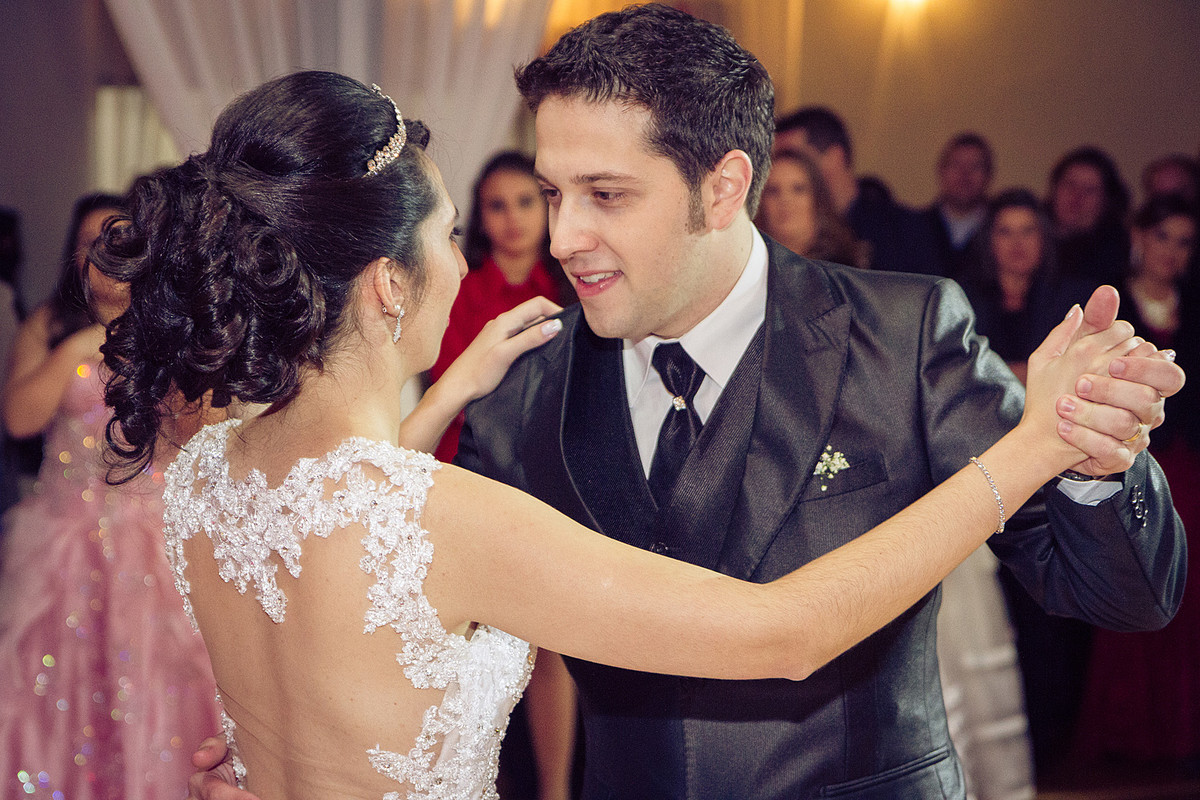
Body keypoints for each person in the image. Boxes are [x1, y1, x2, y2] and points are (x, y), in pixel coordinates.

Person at [107, 67, 1174, 800]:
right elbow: (785, 632)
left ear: (723, 185)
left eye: (601, 192)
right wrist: (1032, 443)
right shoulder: (452, 506)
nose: (527, 244)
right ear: (388, 283)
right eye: (449, 234)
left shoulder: (205, 477)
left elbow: (341, 519)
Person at [455, 6, 1181, 799]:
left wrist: (1094, 457)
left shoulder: (903, 337)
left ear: (724, 187)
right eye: (554, 192)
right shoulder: (524, 389)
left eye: (606, 194)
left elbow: (1120, 594)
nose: (563, 236)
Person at [0, 193, 222, 799]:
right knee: (53, 687)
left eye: (121, 243)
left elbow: (201, 433)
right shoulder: (48, 326)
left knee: (155, 684)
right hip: (63, 539)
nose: (109, 261)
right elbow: (19, 419)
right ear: (78, 257)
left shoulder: (171, 338)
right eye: (94, 245)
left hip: (149, 538)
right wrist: (80, 350)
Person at [1074, 195, 1200, 768]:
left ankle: (1180, 734)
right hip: (1130, 465)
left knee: (1187, 598)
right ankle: (1126, 734)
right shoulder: (1108, 305)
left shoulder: (1195, 307)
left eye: (1184, 242)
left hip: (1191, 469)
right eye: (1164, 237)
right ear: (1140, 237)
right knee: (1132, 585)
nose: (1172, 253)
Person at [429, 150, 572, 464]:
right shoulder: (456, 289)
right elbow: (450, 386)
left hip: (557, 450)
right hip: (468, 452)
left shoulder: (576, 286)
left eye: (525, 201)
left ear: (549, 205)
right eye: (497, 206)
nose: (513, 218)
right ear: (479, 217)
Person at [774, 105, 940, 275]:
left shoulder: (904, 231)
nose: (781, 169)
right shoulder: (778, 239)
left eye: (795, 158)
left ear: (835, 158)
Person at [959, 188, 1094, 384]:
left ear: (1044, 238)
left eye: (1027, 231)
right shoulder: (962, 297)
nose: (1017, 243)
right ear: (989, 240)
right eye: (1005, 232)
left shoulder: (1073, 298)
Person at [755, 147, 863, 267]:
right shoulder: (750, 266)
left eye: (798, 189)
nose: (785, 200)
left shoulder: (839, 270)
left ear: (817, 199)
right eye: (773, 191)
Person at [1045, 146, 1131, 292]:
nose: (1077, 197)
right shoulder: (1033, 238)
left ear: (1106, 200)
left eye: (1089, 190)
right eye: (1070, 184)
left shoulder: (1113, 258)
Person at [920, 132, 994, 280]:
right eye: (956, 164)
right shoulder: (915, 229)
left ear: (988, 174)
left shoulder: (1000, 231)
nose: (964, 174)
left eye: (975, 166)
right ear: (941, 170)